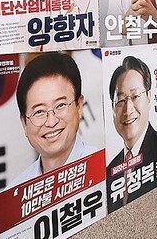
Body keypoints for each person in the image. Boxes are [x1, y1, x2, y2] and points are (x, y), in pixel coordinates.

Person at [12, 53, 100, 186]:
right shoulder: (15, 192)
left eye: (60, 106)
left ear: (79, 106)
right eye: (39, 111)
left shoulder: (105, 170)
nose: (51, 122)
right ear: (24, 123)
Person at [106, 56, 157, 211]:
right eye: (120, 100)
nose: (128, 109)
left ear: (149, 97)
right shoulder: (110, 170)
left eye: (135, 96)